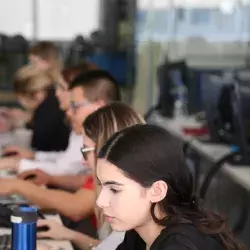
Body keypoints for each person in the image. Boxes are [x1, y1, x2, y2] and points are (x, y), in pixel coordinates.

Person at [95, 124, 245, 250]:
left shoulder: (179, 245)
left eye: (114, 189)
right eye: (101, 185)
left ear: (157, 191)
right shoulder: (140, 231)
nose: (100, 201)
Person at [0, 71, 121, 222]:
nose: (68, 112)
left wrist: (17, 186)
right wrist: (51, 179)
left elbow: (77, 206)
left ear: (99, 107)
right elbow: (86, 180)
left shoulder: (119, 150)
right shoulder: (102, 142)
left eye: (75, 106)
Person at [35, 102, 145, 250]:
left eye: (86, 150)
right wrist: (70, 235)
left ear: (107, 149)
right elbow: (111, 247)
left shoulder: (130, 204)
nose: (83, 160)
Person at [3, 64, 97, 187]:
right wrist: (34, 156)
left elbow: (66, 169)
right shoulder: (75, 119)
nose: (56, 94)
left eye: (62, 88)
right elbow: (67, 158)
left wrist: (18, 164)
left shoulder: (85, 123)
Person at [9, 65, 69, 151]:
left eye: (20, 97)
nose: (21, 103)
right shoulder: (52, 101)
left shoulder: (47, 111)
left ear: (35, 94)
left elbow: (39, 144)